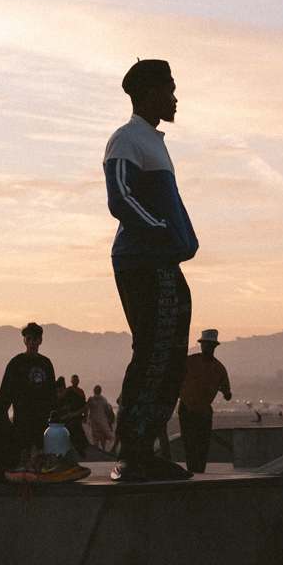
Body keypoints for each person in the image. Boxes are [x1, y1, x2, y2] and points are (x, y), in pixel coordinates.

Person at [104, 59, 197, 482]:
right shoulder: (127, 140)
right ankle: (133, 446)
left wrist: (184, 236)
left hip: (163, 260)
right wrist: (162, 232)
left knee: (171, 351)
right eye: (170, 89)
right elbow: (120, 199)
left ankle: (147, 443)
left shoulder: (155, 143)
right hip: (142, 261)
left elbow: (168, 203)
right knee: (153, 350)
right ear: (149, 93)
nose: (176, 97)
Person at [177, 328, 231, 476]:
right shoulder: (216, 368)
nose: (206, 347)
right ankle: (195, 470)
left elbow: (227, 393)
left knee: (198, 443)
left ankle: (197, 471)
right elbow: (227, 394)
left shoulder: (214, 368)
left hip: (197, 410)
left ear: (212, 347)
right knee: (192, 443)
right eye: (205, 345)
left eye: (208, 345)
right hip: (190, 409)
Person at [0, 322, 57, 462]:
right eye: (29, 339)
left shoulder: (46, 364)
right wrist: (3, 416)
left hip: (42, 419)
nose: (32, 342)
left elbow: (52, 392)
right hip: (22, 418)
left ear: (40, 340)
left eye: (35, 339)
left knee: (40, 455)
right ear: (24, 340)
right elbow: (6, 392)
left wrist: (54, 415)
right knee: (23, 455)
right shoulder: (16, 363)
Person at [61, 374, 89, 456]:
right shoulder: (68, 390)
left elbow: (84, 405)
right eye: (74, 380)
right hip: (70, 415)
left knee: (78, 431)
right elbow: (63, 401)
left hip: (78, 414)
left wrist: (85, 415)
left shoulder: (81, 391)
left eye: (76, 380)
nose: (75, 381)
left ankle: (81, 448)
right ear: (71, 381)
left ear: (78, 381)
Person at [86, 384, 115, 452]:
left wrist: (86, 417)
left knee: (96, 436)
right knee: (102, 437)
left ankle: (97, 450)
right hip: (102, 420)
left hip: (95, 420)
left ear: (94, 391)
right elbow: (108, 410)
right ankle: (103, 450)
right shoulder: (103, 399)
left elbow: (87, 408)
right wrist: (109, 419)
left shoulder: (91, 399)